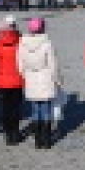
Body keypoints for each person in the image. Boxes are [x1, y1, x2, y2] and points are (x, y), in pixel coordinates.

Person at [17, 17, 59, 149]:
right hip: (45, 76)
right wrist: (57, 79)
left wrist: (26, 75)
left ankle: (38, 140)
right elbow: (53, 65)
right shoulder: (47, 43)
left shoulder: (22, 43)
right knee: (46, 110)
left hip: (31, 77)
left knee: (35, 110)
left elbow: (20, 64)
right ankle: (46, 140)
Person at [0, 15, 24, 145]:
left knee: (5, 107)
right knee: (15, 107)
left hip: (2, 79)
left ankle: (8, 133)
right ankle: (15, 133)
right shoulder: (20, 42)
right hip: (17, 79)